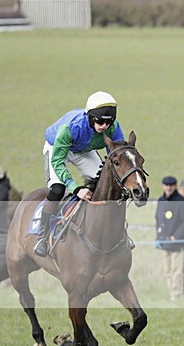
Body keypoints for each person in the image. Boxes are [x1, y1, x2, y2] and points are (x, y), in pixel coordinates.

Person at [35, 91, 126, 256]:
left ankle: (115, 233)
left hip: (84, 150)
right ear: (90, 117)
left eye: (108, 122)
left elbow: (117, 154)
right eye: (99, 121)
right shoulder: (72, 128)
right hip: (57, 149)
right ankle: (42, 236)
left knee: (106, 185)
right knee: (57, 189)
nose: (104, 126)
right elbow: (57, 162)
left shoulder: (113, 127)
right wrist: (76, 188)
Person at [155, 176, 184, 301]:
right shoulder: (161, 200)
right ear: (163, 186)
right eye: (166, 185)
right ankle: (172, 293)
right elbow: (158, 219)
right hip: (164, 242)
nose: (168, 188)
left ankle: (177, 296)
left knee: (177, 271)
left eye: (171, 185)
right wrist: (159, 237)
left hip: (177, 243)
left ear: (175, 186)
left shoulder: (181, 201)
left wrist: (176, 236)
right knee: (168, 271)